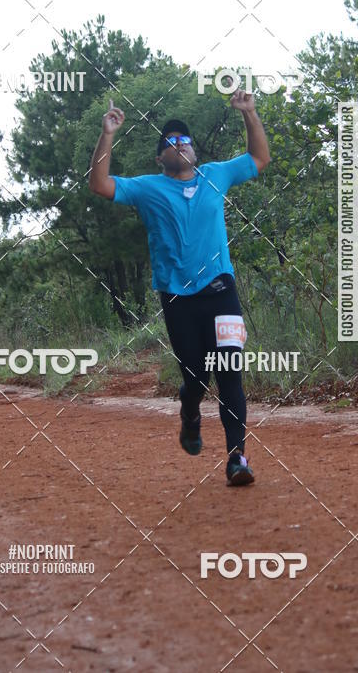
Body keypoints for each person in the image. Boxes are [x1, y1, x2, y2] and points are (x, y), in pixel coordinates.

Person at [89, 91, 270, 486]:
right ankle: (190, 413)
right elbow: (100, 184)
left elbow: (259, 158)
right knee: (197, 378)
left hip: (222, 291)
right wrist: (107, 135)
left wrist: (250, 114)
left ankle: (237, 457)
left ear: (193, 150)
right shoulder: (147, 187)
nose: (180, 143)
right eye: (170, 141)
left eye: (185, 140)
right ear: (161, 158)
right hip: (178, 299)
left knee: (230, 373)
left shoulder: (216, 175)